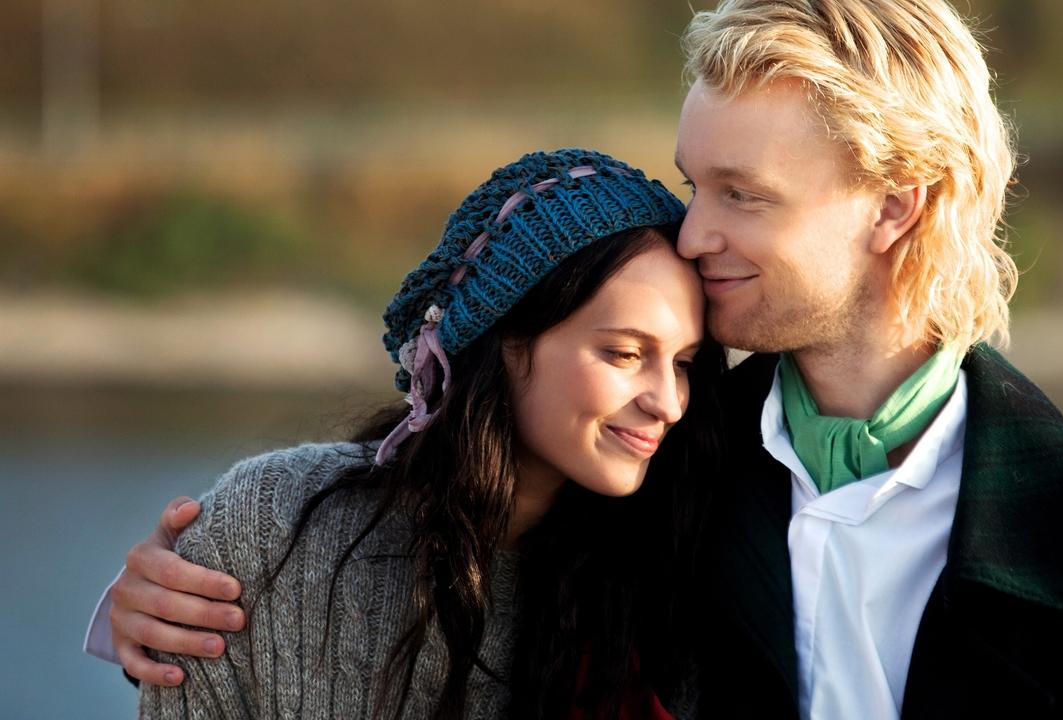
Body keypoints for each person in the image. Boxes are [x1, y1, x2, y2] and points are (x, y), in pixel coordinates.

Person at [91, 1, 1063, 718]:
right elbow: (435, 545)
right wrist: (160, 591)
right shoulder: (668, 478)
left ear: (895, 209)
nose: (693, 232)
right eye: (695, 181)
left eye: (742, 195)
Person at [96, 147, 722, 719]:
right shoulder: (271, 528)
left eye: (684, 363)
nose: (668, 402)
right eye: (623, 353)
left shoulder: (681, 576)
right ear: (507, 337)